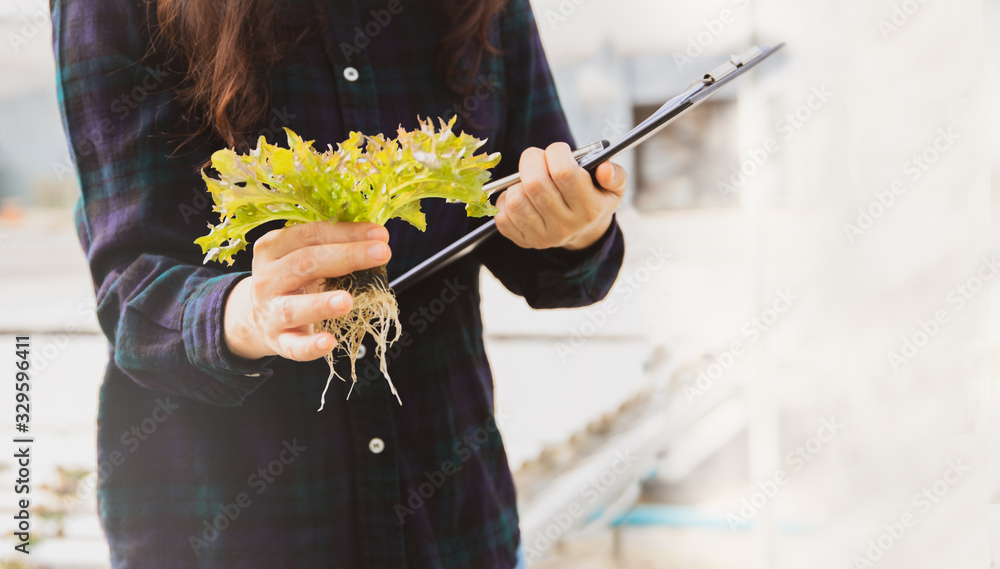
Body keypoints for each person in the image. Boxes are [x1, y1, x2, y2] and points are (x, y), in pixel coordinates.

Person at [52, 0, 626, 566]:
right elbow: (131, 295)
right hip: (232, 534)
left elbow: (544, 252)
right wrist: (249, 311)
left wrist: (578, 227)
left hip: (452, 527)